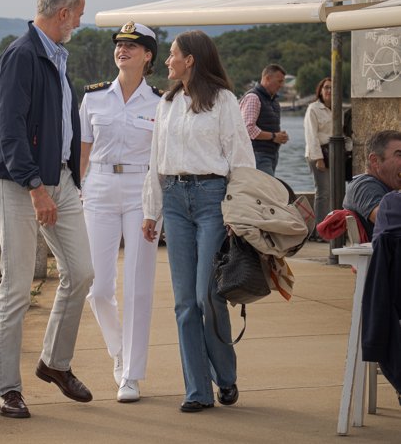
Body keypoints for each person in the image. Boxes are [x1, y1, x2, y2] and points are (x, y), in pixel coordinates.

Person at [0, 0, 95, 419]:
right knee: (15, 288)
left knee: (82, 272)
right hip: (18, 183)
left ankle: (54, 362)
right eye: (80, 14)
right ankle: (7, 389)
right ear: (63, 13)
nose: (81, 22)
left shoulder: (56, 57)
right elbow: (9, 130)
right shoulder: (21, 56)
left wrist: (69, 180)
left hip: (61, 181)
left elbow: (63, 124)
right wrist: (35, 188)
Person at [141, 30, 255, 413]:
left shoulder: (224, 101)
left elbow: (241, 160)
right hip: (173, 200)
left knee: (208, 295)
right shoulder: (167, 103)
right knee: (184, 303)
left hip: (211, 200)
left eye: (173, 54)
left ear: (190, 60)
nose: (167, 60)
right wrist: (150, 211)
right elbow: (157, 160)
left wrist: (238, 213)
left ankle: (225, 376)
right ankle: (197, 390)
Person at [79, 21, 162, 403]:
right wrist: (76, 194)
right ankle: (118, 350)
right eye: (119, 44)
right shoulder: (93, 98)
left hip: (140, 189)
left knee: (138, 284)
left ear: (148, 55)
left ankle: (130, 374)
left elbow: (161, 160)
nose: (123, 49)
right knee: (96, 288)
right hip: (98, 187)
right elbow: (81, 155)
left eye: (133, 44)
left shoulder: (161, 102)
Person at [342, 130, 401, 241]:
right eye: (399, 155)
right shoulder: (364, 186)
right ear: (375, 161)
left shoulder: (389, 185)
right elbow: (388, 220)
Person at [239, 64, 289, 176]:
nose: (282, 85)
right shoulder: (253, 97)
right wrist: (274, 136)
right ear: (267, 78)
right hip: (257, 154)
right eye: (279, 81)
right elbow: (248, 129)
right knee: (266, 191)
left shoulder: (273, 101)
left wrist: (279, 136)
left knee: (265, 190)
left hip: (269, 154)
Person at [303, 77, 333, 242]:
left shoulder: (336, 109)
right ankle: (320, 231)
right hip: (318, 154)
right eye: (326, 87)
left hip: (334, 155)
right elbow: (311, 136)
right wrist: (318, 158)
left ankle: (327, 229)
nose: (329, 91)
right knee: (323, 192)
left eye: (332, 88)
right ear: (320, 90)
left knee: (332, 193)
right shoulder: (313, 109)